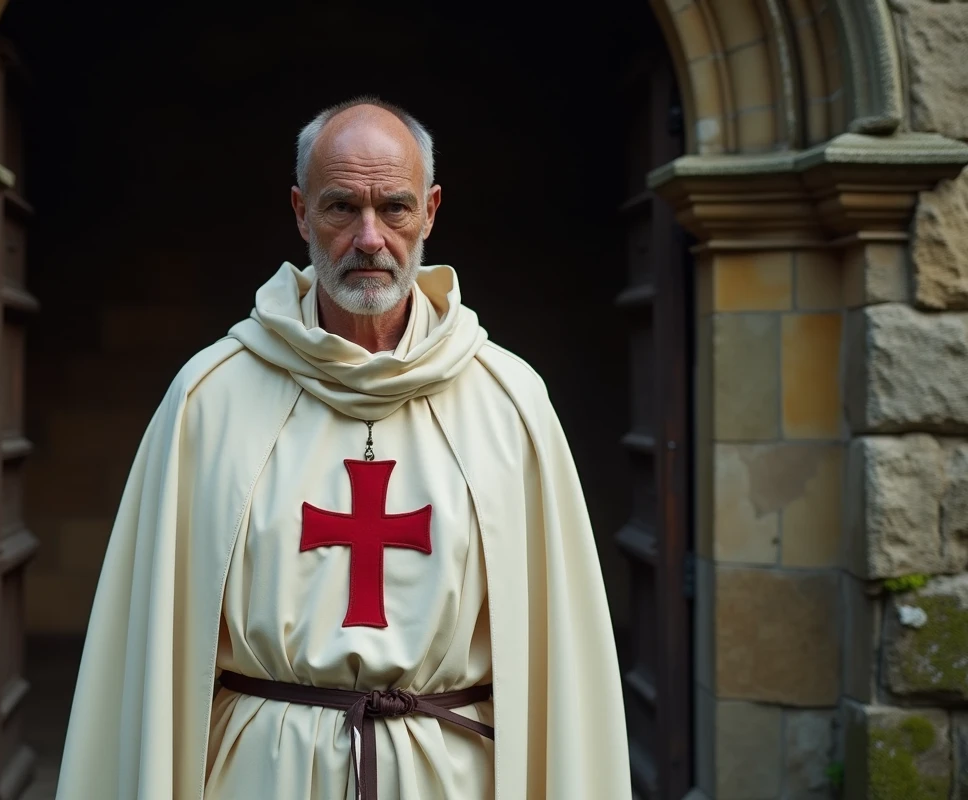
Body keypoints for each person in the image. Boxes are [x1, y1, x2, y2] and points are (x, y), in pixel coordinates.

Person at [54, 97, 630, 800]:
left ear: (431, 211)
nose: (369, 238)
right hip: (264, 778)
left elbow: (562, 668)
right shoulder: (209, 400)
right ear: (300, 212)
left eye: (394, 207)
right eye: (340, 209)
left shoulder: (509, 404)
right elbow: (144, 664)